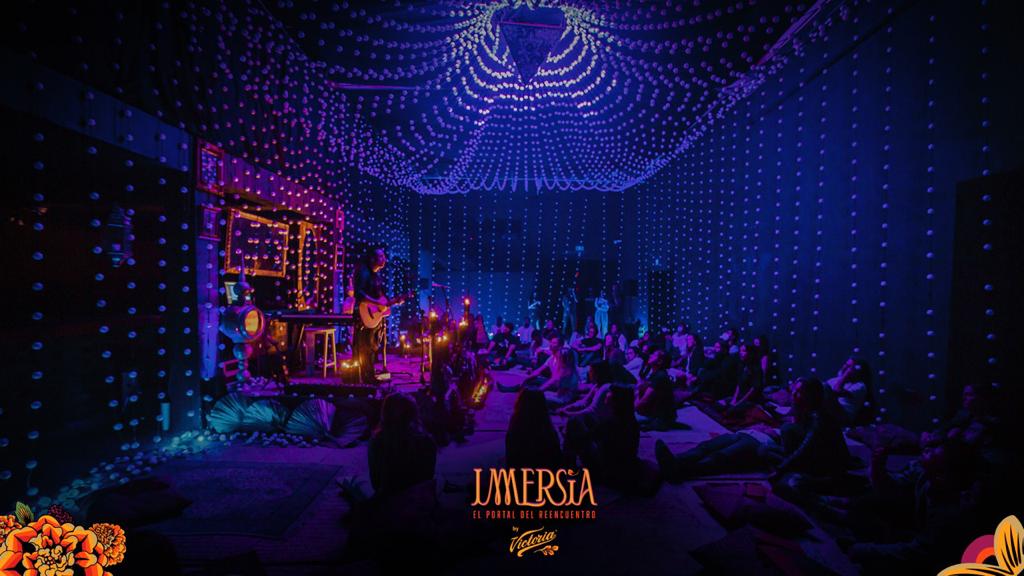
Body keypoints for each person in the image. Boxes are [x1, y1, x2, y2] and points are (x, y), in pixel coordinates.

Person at [367, 393, 437, 497]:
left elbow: (376, 482)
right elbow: (428, 477)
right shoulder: (427, 441)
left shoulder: (377, 441)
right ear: (413, 413)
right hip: (419, 498)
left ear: (385, 413)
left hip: (389, 499)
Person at [354, 246, 405, 383]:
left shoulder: (377, 276)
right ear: (372, 258)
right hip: (364, 313)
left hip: (375, 316)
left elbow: (382, 299)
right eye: (381, 256)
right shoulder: (363, 272)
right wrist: (376, 302)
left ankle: (370, 376)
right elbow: (359, 294)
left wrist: (394, 301)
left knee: (372, 346)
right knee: (366, 346)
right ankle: (366, 378)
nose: (384, 259)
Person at [506, 389, 562, 470]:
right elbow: (556, 457)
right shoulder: (548, 429)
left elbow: (511, 457)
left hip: (520, 473)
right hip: (544, 473)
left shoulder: (515, 424)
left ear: (520, 402)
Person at [635, 349, 677, 429]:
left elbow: (644, 400)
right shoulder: (656, 374)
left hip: (659, 419)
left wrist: (629, 412)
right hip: (653, 414)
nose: (650, 355)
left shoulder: (660, 377)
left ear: (660, 362)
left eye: (654, 355)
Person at [826, 356, 874, 425]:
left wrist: (845, 376)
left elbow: (835, 391)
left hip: (844, 416)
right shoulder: (834, 380)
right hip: (830, 413)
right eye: (845, 364)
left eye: (849, 366)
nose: (844, 367)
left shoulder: (860, 386)